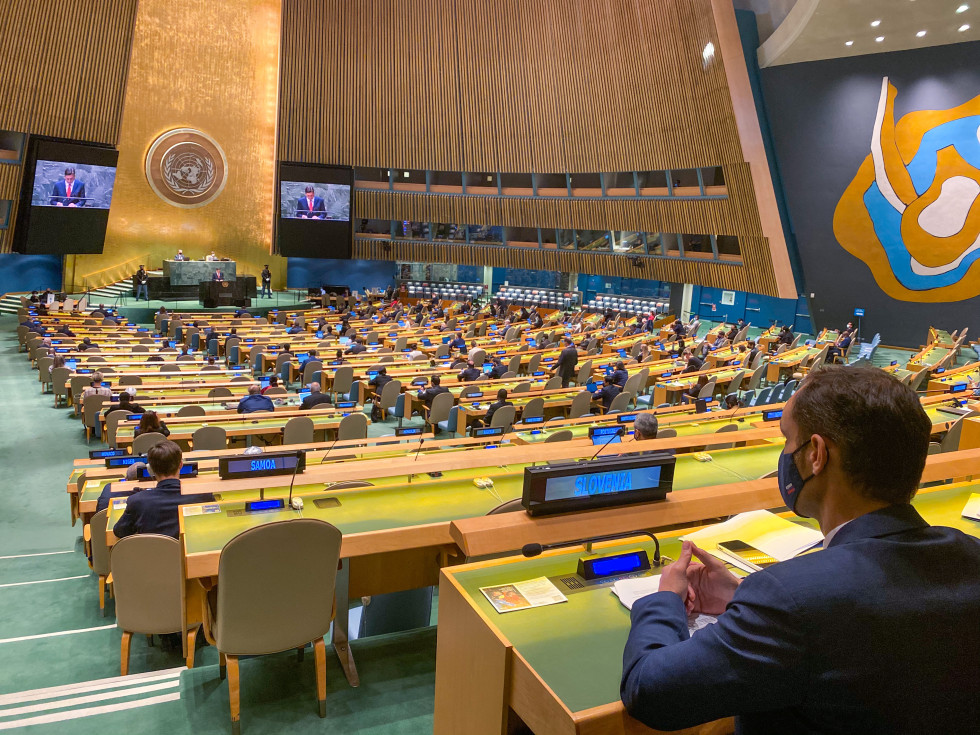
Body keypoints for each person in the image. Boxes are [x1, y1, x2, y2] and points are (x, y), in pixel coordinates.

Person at [621, 366, 980, 734]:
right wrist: (744, 600)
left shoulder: (792, 599)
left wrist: (665, 599)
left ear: (816, 455)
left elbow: (649, 691)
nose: (785, 453)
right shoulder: (971, 554)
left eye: (788, 439)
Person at [112, 442, 215, 539]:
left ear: (150, 469)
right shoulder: (204, 495)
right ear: (181, 465)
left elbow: (119, 531)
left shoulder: (136, 501)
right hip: (193, 556)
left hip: (152, 557)